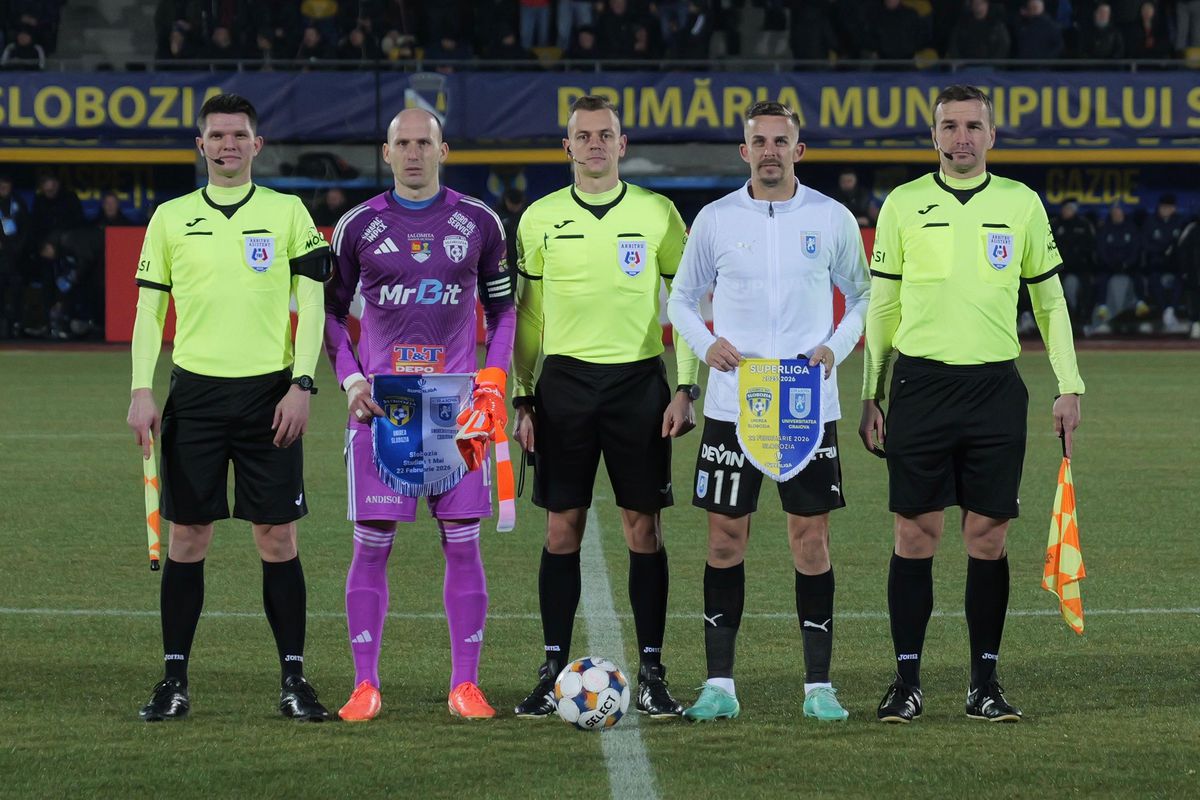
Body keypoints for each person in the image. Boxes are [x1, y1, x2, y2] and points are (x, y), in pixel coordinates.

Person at [859, 84, 1084, 724]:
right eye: (950, 126)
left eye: (972, 126)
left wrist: (1069, 384)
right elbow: (883, 307)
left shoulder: (1021, 204)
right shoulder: (904, 205)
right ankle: (907, 683)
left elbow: (1049, 303)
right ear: (934, 136)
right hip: (920, 386)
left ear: (992, 135)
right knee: (915, 534)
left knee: (987, 538)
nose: (961, 137)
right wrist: (871, 392)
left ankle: (984, 683)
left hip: (994, 388)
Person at [126, 93, 333, 722]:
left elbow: (314, 302)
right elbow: (149, 311)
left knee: (277, 538)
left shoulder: (288, 211)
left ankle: (294, 682)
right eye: (216, 136)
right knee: (187, 538)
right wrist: (142, 387)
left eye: (238, 135)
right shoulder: (169, 217)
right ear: (201, 144)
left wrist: (302, 383)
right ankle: (174, 682)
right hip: (195, 395)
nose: (227, 145)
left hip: (271, 395)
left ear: (256, 144)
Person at [666, 101, 870, 722]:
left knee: (811, 542)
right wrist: (706, 344)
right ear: (744, 150)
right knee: (726, 541)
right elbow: (678, 299)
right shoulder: (716, 219)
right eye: (760, 141)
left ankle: (818, 688)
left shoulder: (830, 218)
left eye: (782, 141)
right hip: (734, 405)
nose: (771, 151)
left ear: (798, 150)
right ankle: (719, 685)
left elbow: (863, 296)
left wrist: (833, 348)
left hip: (809, 404)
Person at [511, 94, 699, 718]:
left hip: (637, 385)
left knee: (642, 528)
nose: (594, 144)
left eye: (605, 135)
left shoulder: (658, 214)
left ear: (622, 144)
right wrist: (524, 393)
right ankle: (551, 665)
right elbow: (530, 315)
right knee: (561, 527)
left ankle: (651, 669)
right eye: (583, 135)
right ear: (567, 146)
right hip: (563, 387)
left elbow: (690, 301)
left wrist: (686, 386)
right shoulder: (539, 218)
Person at [323, 108, 514, 722]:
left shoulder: (479, 222)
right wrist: (351, 380)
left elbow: (505, 311)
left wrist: (493, 379)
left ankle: (466, 685)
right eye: (402, 143)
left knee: (463, 546)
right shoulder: (357, 226)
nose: (412, 153)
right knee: (371, 546)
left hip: (458, 410)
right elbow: (328, 314)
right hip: (384, 408)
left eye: (422, 143)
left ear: (443, 150)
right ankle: (364, 684)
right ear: (386, 152)